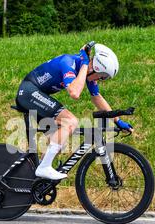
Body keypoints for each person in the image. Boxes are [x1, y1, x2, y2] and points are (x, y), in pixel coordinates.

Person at [15, 42, 133, 180]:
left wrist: (118, 121)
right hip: (28, 92)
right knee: (70, 122)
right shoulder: (69, 62)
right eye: (102, 76)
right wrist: (84, 64)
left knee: (59, 141)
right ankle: (44, 167)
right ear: (95, 68)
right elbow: (74, 93)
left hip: (36, 93)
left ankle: (35, 180)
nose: (101, 80)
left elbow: (97, 98)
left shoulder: (85, 71)